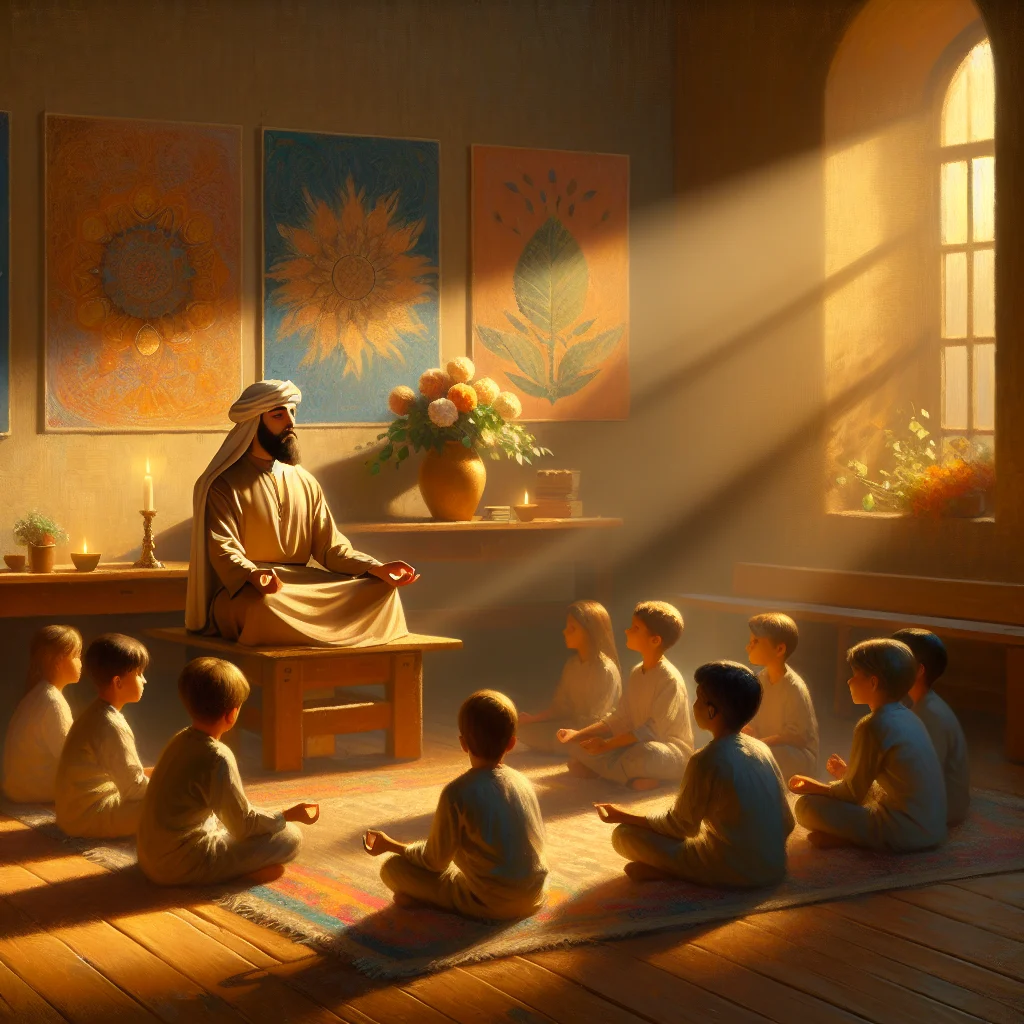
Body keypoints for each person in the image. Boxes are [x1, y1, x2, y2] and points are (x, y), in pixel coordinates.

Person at [186, 379, 419, 646]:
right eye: (278, 414)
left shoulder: (305, 481)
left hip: (303, 586)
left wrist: (376, 568)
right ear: (253, 424)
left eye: (292, 413)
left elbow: (331, 548)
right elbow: (224, 549)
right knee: (264, 607)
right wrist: (253, 574)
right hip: (252, 590)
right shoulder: (223, 484)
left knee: (382, 591)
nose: (290, 423)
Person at [597, 661, 794, 887]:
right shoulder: (763, 750)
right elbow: (787, 822)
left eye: (699, 699)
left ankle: (675, 872)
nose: (694, 704)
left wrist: (622, 815)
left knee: (624, 835)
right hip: (775, 867)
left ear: (712, 711)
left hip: (732, 871)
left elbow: (680, 827)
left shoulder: (706, 759)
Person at [363, 690, 547, 920]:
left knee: (392, 869)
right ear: (511, 743)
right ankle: (424, 897)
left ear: (463, 743)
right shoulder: (523, 782)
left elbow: (434, 861)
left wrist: (392, 845)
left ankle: (426, 900)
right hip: (533, 897)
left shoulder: (457, 793)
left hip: (490, 904)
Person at [138, 658, 317, 886]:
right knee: (290, 837)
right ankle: (234, 874)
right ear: (232, 714)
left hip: (149, 858)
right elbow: (243, 826)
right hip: (178, 866)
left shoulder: (180, 739)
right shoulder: (217, 755)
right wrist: (287, 815)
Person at [790, 639, 947, 852]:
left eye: (855, 675)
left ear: (873, 683)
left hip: (904, 832)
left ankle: (856, 839)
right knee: (845, 799)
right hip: (933, 829)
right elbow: (896, 784)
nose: (849, 682)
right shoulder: (910, 717)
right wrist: (848, 773)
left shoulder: (872, 725)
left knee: (805, 806)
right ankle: (853, 835)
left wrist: (814, 786)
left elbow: (851, 795)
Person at [558, 601, 693, 790]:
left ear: (655, 640)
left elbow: (651, 731)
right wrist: (579, 734)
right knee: (577, 745)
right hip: (633, 747)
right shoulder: (637, 672)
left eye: (635, 628)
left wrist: (606, 745)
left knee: (645, 753)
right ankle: (624, 776)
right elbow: (621, 717)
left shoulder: (669, 679)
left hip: (667, 753)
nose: (627, 631)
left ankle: (604, 772)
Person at [55, 634, 150, 838]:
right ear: (118, 682)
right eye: (139, 673)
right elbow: (133, 788)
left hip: (73, 813)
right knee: (174, 802)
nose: (144, 680)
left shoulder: (97, 713)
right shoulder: (110, 724)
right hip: (89, 816)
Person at [518, 600, 621, 753]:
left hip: (591, 733)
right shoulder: (572, 664)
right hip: (570, 726)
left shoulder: (604, 670)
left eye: (572, 628)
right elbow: (561, 707)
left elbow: (599, 721)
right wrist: (534, 719)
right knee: (523, 729)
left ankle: (538, 745)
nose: (565, 632)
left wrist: (572, 732)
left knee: (557, 738)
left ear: (589, 632)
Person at [893, 628, 970, 826]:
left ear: (919, 670)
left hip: (940, 809)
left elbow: (924, 780)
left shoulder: (930, 714)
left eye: (893, 660)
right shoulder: (920, 705)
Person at [2, 625, 82, 803]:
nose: (80, 662)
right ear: (59, 661)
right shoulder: (52, 701)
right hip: (35, 790)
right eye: (77, 656)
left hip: (19, 787)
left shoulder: (41, 694)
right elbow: (68, 757)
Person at [743, 613, 819, 780]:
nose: (749, 647)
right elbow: (754, 716)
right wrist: (749, 729)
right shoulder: (759, 680)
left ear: (779, 649)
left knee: (763, 757)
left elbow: (797, 737)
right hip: (764, 744)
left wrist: (762, 743)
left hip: (795, 753)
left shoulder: (794, 687)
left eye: (756, 642)